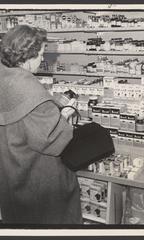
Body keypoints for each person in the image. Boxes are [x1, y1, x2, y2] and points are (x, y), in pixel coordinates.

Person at [0, 25, 82, 224]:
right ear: (27, 55)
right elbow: (51, 140)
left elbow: (20, 117)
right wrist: (65, 116)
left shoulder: (5, 77)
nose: (43, 59)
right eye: (41, 54)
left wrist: (48, 107)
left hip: (11, 171)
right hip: (39, 178)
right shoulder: (29, 87)